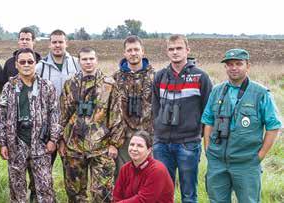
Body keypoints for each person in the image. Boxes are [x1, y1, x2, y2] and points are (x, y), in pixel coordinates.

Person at [202, 48, 282, 203]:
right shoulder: (217, 91)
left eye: (239, 64)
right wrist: (208, 149)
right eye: (230, 64)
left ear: (248, 66)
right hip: (217, 161)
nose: (234, 67)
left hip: (246, 163)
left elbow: (273, 127)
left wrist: (259, 157)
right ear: (225, 67)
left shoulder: (260, 93)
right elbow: (208, 121)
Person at [152, 34, 212, 203]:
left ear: (187, 50)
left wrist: (196, 135)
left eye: (179, 48)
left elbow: (208, 111)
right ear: (167, 52)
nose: (175, 52)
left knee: (188, 194)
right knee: (163, 193)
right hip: (162, 144)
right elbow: (154, 107)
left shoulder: (200, 77)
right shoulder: (160, 76)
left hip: (188, 143)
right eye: (171, 49)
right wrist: (157, 131)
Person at [0, 48, 60, 203]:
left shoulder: (47, 86)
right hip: (16, 143)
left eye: (30, 61)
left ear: (35, 64)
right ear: (16, 65)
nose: (26, 65)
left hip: (41, 144)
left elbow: (55, 114)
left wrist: (53, 139)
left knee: (45, 188)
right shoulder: (9, 87)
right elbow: (0, 117)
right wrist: (3, 143)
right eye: (22, 62)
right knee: (17, 189)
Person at [58, 47, 123, 202]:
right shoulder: (70, 84)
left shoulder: (109, 84)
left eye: (91, 59)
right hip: (74, 147)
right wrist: (60, 140)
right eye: (84, 59)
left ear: (96, 60)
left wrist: (114, 144)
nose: (88, 62)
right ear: (79, 61)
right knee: (75, 193)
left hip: (102, 147)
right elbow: (63, 114)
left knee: (103, 193)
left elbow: (116, 115)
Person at [112, 36, 155, 178]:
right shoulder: (115, 78)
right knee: (124, 177)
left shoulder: (155, 76)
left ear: (143, 51)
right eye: (129, 50)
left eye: (136, 49)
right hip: (123, 139)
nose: (133, 53)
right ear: (124, 53)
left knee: (148, 177)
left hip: (148, 137)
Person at [113, 131, 174, 203]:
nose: (134, 149)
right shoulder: (125, 169)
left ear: (149, 150)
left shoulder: (157, 170)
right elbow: (117, 196)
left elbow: (144, 200)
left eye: (140, 146)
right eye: (132, 144)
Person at [35, 29, 81, 98]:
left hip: (72, 108)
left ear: (66, 44)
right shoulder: (40, 67)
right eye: (54, 42)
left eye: (60, 42)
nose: (57, 45)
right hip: (49, 108)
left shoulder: (77, 63)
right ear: (49, 44)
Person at [0, 27, 42, 91]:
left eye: (27, 39)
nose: (24, 42)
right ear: (18, 41)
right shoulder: (9, 63)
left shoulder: (41, 63)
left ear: (33, 41)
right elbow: (3, 86)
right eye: (22, 39)